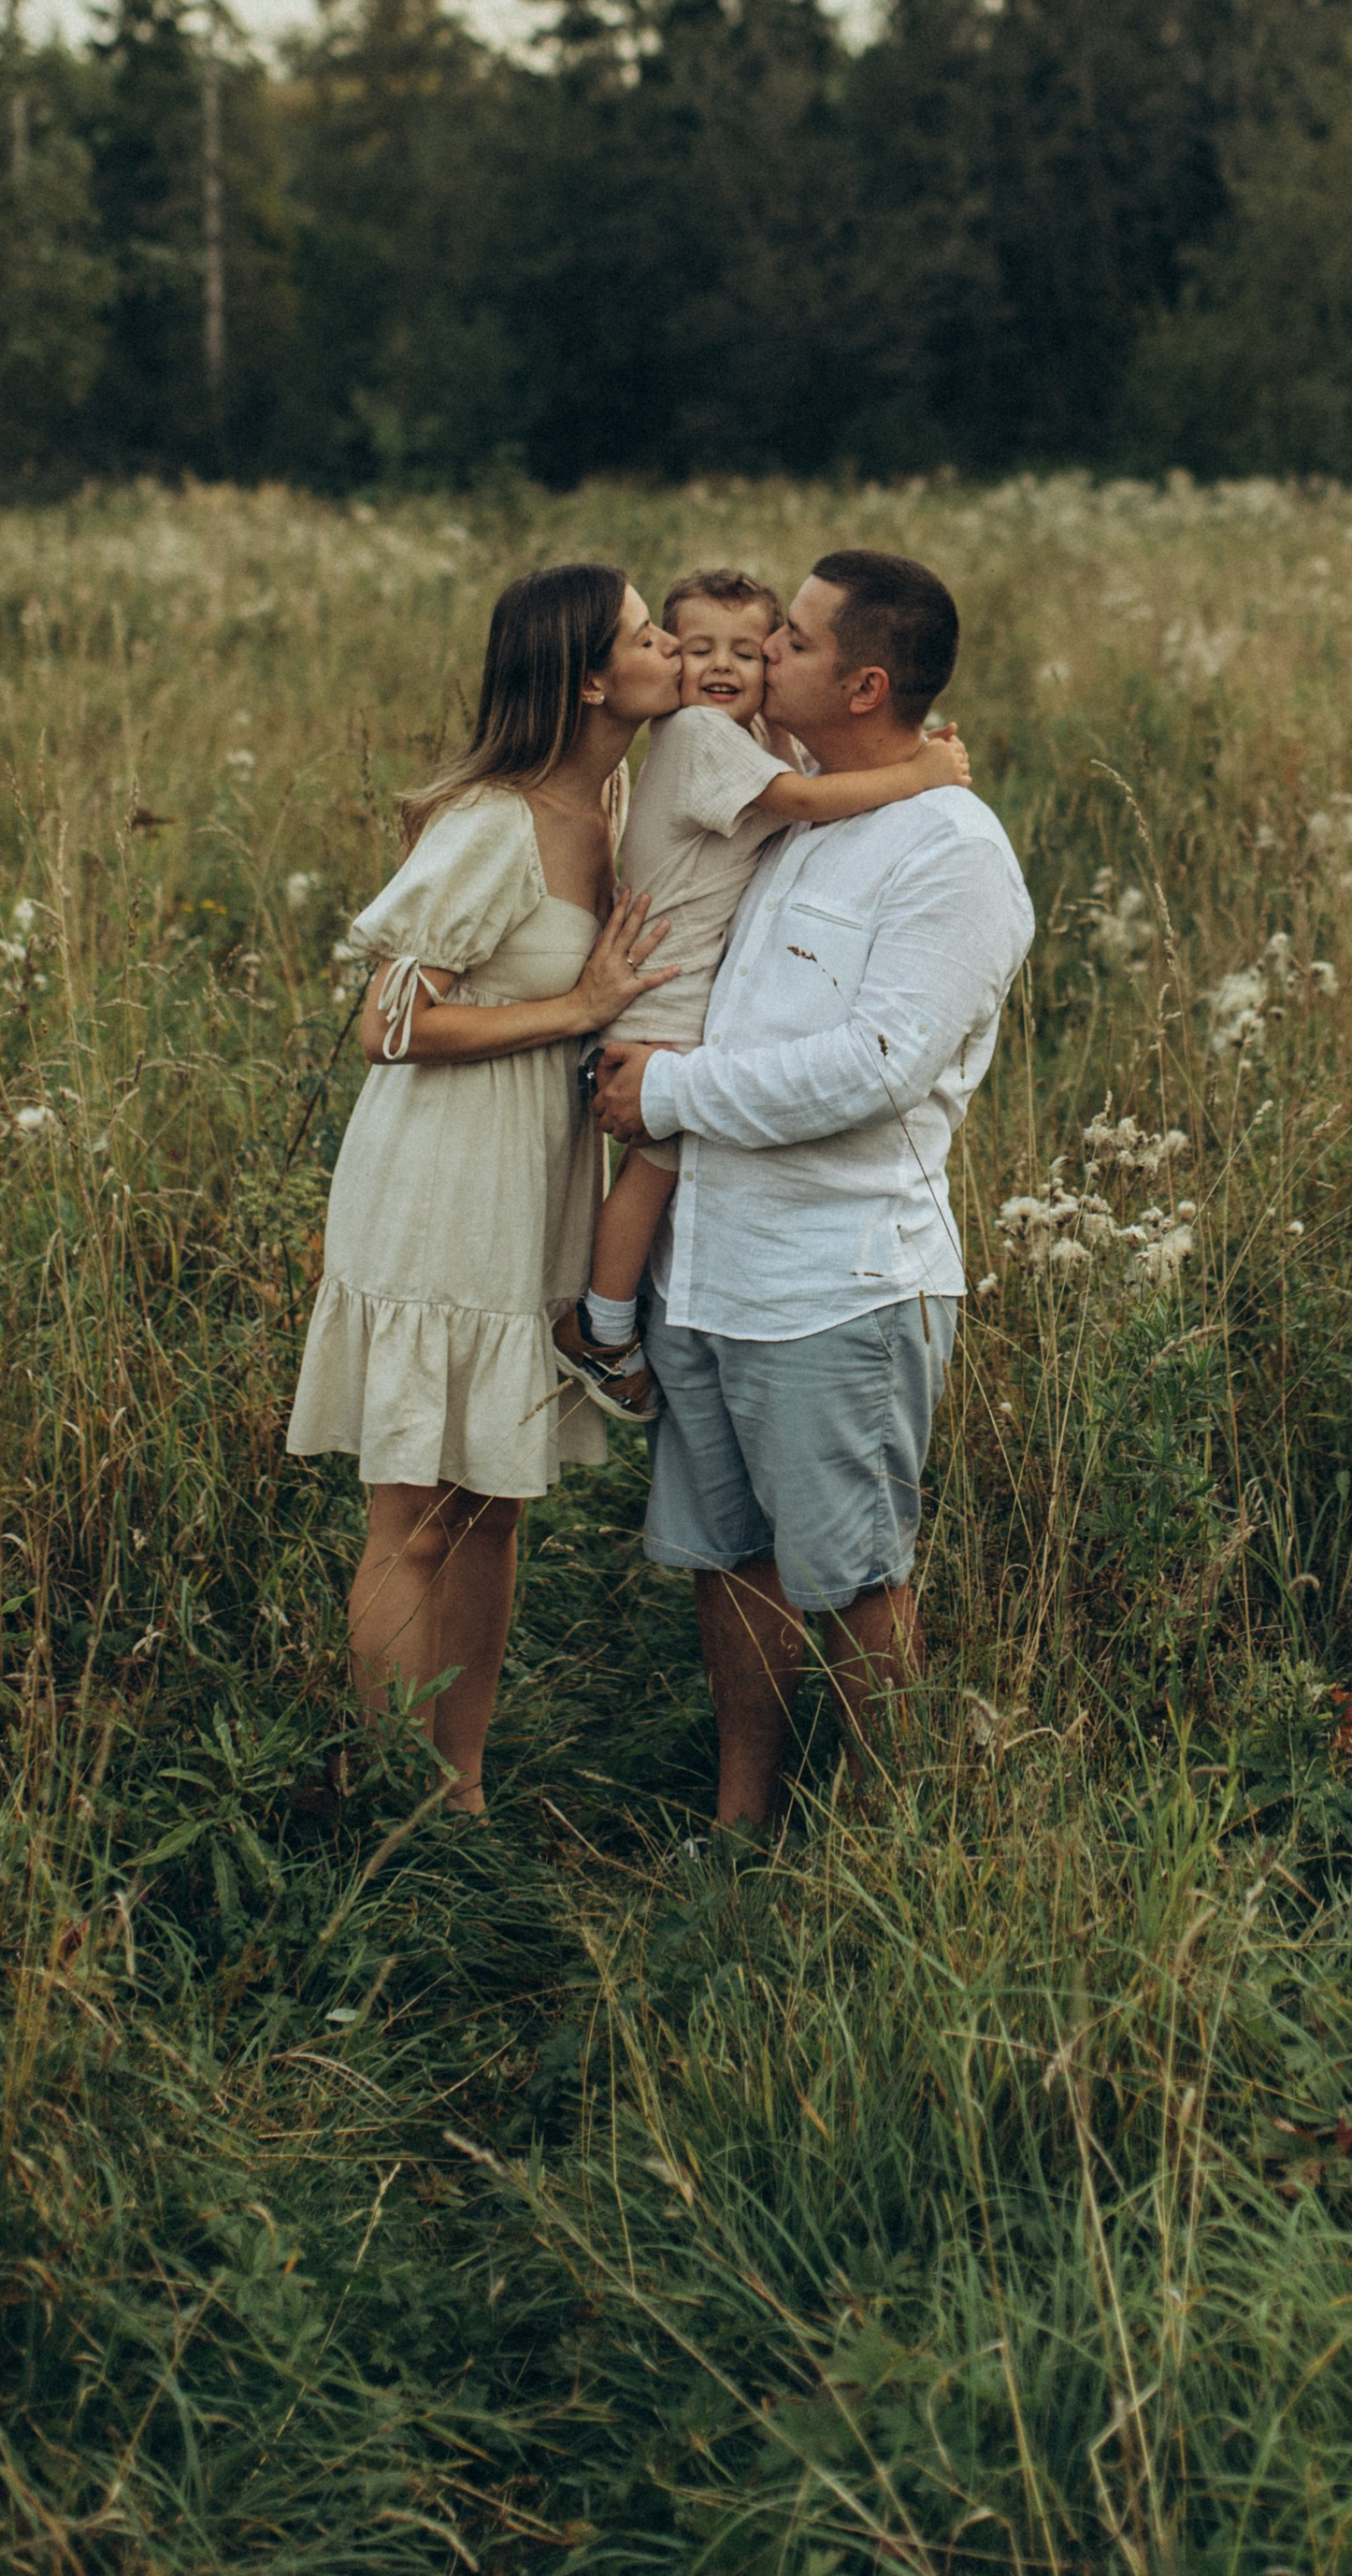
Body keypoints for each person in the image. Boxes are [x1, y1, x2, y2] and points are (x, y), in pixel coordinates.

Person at [594, 548, 1034, 1828]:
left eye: (789, 637)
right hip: (714, 1266)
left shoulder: (950, 850)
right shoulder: (791, 814)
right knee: (731, 1559)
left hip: (836, 1281)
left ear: (864, 683)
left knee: (853, 1573)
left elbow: (879, 1066)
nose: (753, 653)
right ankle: (743, 1817)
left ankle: (889, 1831)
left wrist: (664, 1096)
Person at [284, 561, 683, 1809]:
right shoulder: (495, 821)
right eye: (644, 631)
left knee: (494, 1505)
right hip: (442, 1177)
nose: (670, 642)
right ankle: (389, 1807)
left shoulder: (611, 797)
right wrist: (586, 1005)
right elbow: (388, 1024)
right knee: (415, 1512)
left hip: (529, 1180)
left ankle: (459, 1788)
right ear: (588, 675)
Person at [569, 562, 973, 1421]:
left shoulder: (744, 741)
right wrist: (921, 774)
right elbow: (806, 801)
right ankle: (601, 1325)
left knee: (658, 1162)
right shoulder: (699, 737)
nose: (728, 666)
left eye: (756, 649)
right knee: (655, 1162)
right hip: (664, 989)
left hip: (677, 988)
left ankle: (611, 1315)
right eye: (696, 647)